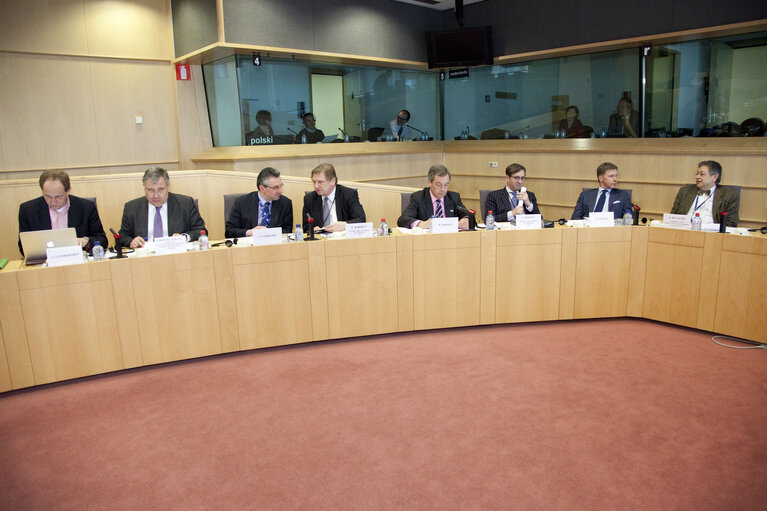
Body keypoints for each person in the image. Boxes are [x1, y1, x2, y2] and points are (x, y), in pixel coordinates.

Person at [17, 169, 107, 255]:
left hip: (77, 261)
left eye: (58, 197)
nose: (53, 201)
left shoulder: (86, 207)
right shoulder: (28, 210)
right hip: (43, 263)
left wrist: (86, 241)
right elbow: (23, 248)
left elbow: (102, 240)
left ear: (68, 190)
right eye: (47, 196)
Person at [119, 167, 207, 248]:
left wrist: (184, 237)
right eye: (151, 190)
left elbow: (201, 230)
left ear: (168, 187)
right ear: (144, 188)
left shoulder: (185, 204)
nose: (156, 195)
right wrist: (131, 241)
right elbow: (122, 237)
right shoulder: (131, 208)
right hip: (144, 257)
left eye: (160, 190)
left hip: (175, 255)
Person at [397, 165, 469, 230]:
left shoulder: (454, 197)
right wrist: (421, 224)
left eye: (446, 185)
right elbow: (402, 220)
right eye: (438, 185)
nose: (443, 189)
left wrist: (467, 220)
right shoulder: (418, 198)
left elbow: (467, 215)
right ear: (429, 182)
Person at [226, 167, 293, 236]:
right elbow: (229, 231)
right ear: (262, 188)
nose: (280, 191)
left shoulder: (285, 203)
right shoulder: (241, 202)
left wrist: (269, 234)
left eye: (280, 186)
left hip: (274, 244)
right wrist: (249, 232)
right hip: (250, 244)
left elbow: (287, 231)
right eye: (275, 187)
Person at [670, 160, 740, 227]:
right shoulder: (685, 191)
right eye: (697, 174)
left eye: (702, 174)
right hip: (684, 231)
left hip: (712, 234)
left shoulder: (728, 195)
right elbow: (673, 217)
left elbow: (731, 223)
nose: (697, 177)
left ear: (715, 177)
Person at [302, 163, 366, 232]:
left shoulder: (348, 195)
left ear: (333, 181)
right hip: (320, 240)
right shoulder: (309, 199)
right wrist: (312, 229)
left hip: (343, 239)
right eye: (314, 182)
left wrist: (345, 225)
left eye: (320, 182)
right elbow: (306, 227)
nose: (316, 186)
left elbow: (361, 219)